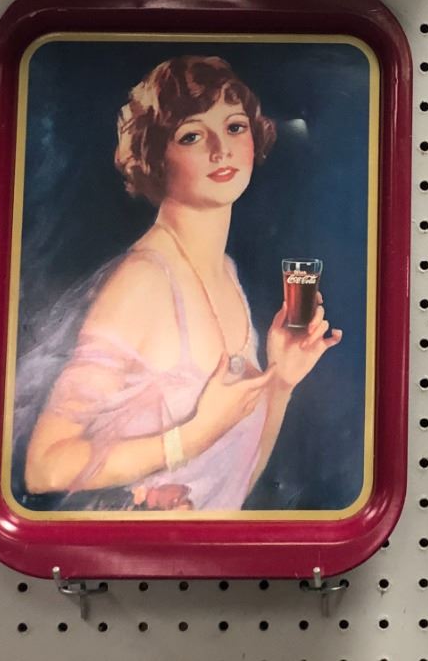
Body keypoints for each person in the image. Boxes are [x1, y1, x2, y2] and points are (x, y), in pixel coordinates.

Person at [20, 56, 340, 512]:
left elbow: (229, 488)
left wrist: (281, 383)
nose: (221, 149)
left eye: (234, 127)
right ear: (156, 156)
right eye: (192, 135)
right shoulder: (144, 282)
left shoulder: (226, 274)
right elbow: (44, 469)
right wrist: (190, 436)